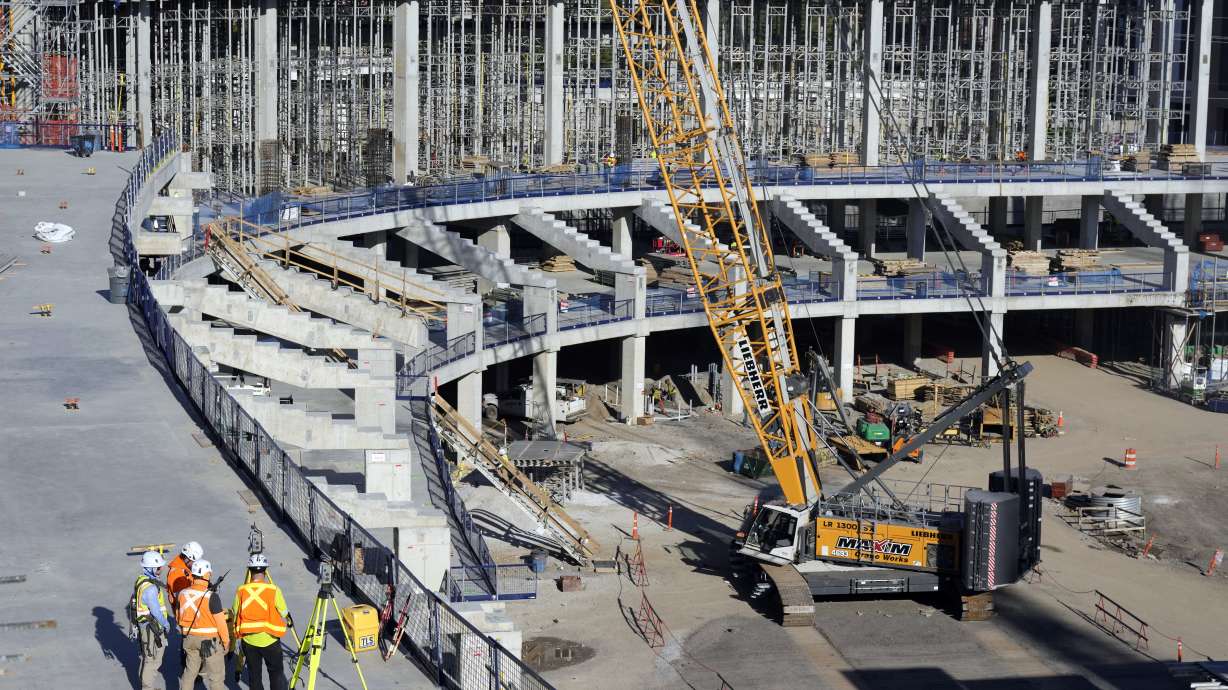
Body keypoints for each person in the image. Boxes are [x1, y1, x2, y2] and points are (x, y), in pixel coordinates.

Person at [232, 554, 292, 690]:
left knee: (254, 676)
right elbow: (284, 612)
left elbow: (235, 611)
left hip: (249, 641)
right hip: (270, 639)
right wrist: (288, 619)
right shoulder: (273, 590)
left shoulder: (241, 590)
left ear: (250, 571)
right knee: (276, 673)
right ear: (265, 571)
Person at [177, 559, 229, 690]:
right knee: (216, 677)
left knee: (189, 673)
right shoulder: (211, 597)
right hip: (209, 641)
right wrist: (226, 642)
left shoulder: (182, 594)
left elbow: (179, 618)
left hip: (189, 639)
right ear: (206, 575)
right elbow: (221, 623)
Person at [133, 551, 172, 690]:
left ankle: (147, 686)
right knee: (153, 660)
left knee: (148, 658)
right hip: (152, 629)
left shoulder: (141, 581)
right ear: (150, 568)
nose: (161, 569)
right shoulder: (150, 589)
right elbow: (156, 612)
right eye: (158, 567)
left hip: (145, 627)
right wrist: (166, 624)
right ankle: (147, 687)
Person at [167, 541, 203, 613]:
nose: (196, 564)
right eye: (194, 562)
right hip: (185, 613)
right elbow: (182, 599)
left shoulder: (185, 567)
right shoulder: (176, 574)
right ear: (187, 559)